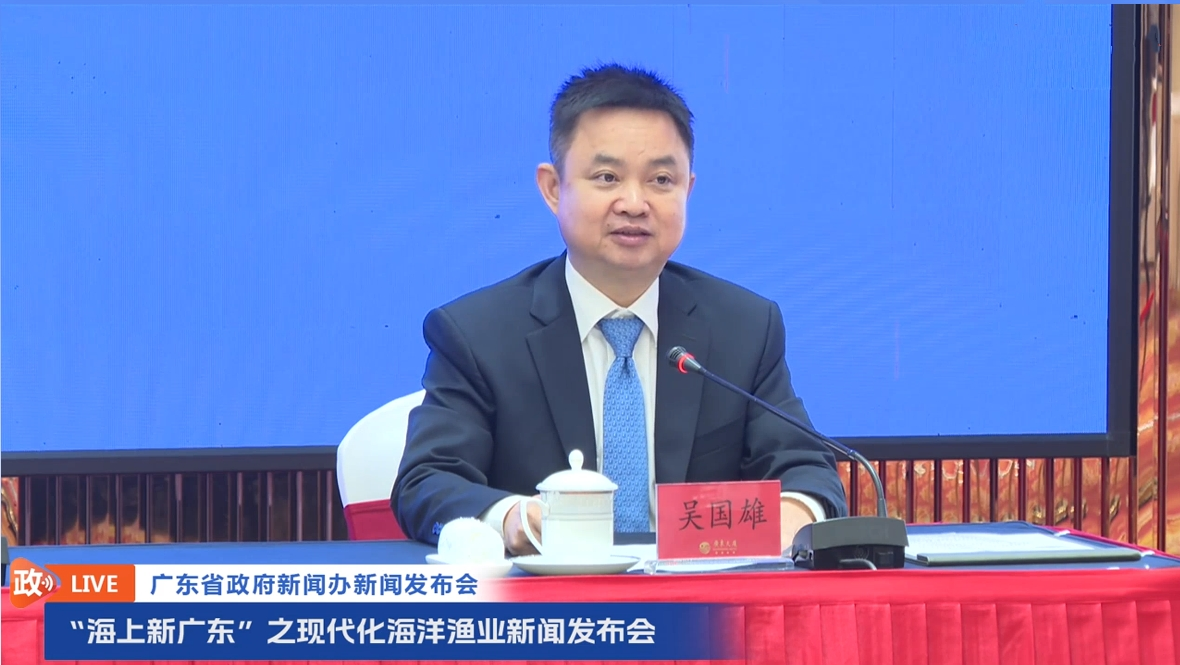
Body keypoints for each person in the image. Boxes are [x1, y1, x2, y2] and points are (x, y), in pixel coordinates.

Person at [392, 63, 847, 555]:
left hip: (700, 596)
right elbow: (427, 480)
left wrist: (794, 513)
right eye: (607, 177)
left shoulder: (744, 327)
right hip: (545, 594)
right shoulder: (478, 333)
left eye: (661, 180)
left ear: (688, 190)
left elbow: (806, 468)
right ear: (553, 188)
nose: (634, 203)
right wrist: (513, 519)